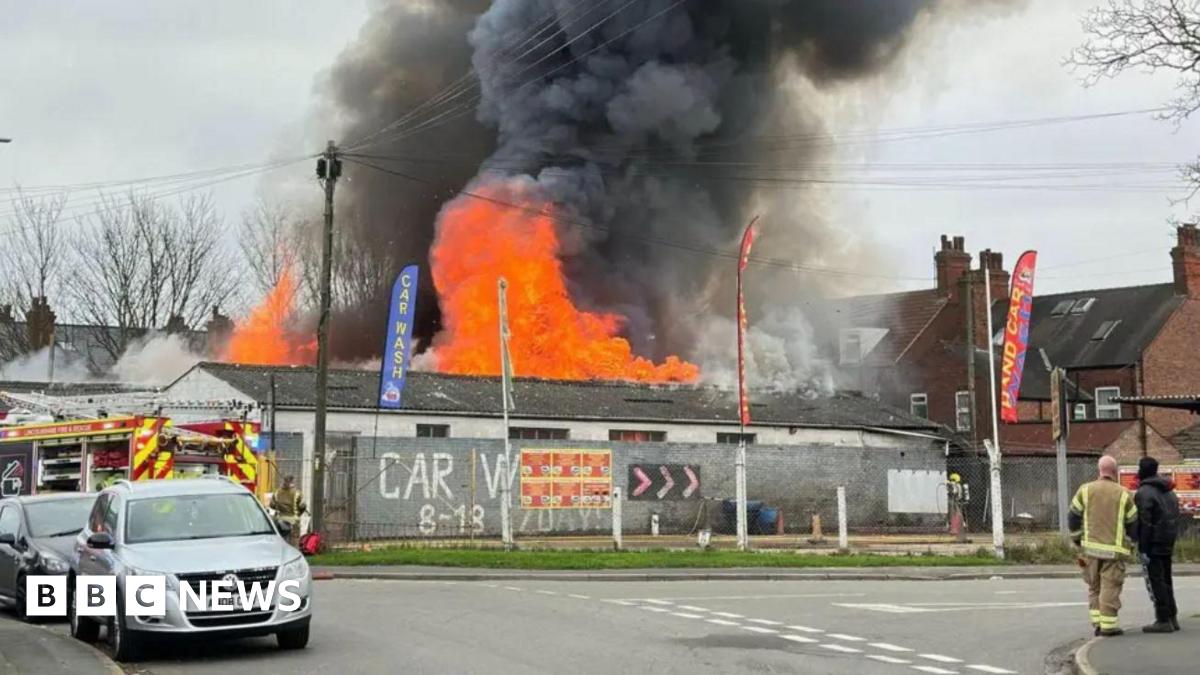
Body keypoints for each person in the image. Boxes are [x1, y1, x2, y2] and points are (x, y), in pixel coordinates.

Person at [1068, 455, 1139, 637]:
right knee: (1110, 587)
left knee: (1094, 587)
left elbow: (1073, 516)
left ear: (1099, 470)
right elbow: (1133, 523)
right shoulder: (1124, 494)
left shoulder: (1085, 490)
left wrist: (1077, 539)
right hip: (1114, 553)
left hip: (1089, 550)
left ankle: (1098, 624)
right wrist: (1131, 542)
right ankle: (1108, 627)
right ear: (1115, 472)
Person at [1134, 457, 1181, 633]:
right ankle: (1172, 616)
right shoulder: (1168, 490)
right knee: (1166, 578)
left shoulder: (1144, 492)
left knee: (1156, 580)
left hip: (1153, 542)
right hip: (1168, 540)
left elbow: (1145, 523)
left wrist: (1143, 548)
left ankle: (1163, 619)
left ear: (1143, 470)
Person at [271, 475, 307, 546]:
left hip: (280, 521)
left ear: (283, 481)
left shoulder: (277, 492)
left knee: (281, 543)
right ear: (292, 481)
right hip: (293, 522)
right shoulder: (297, 493)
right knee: (294, 544)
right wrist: (298, 514)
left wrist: (279, 508)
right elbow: (303, 506)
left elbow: (272, 505)